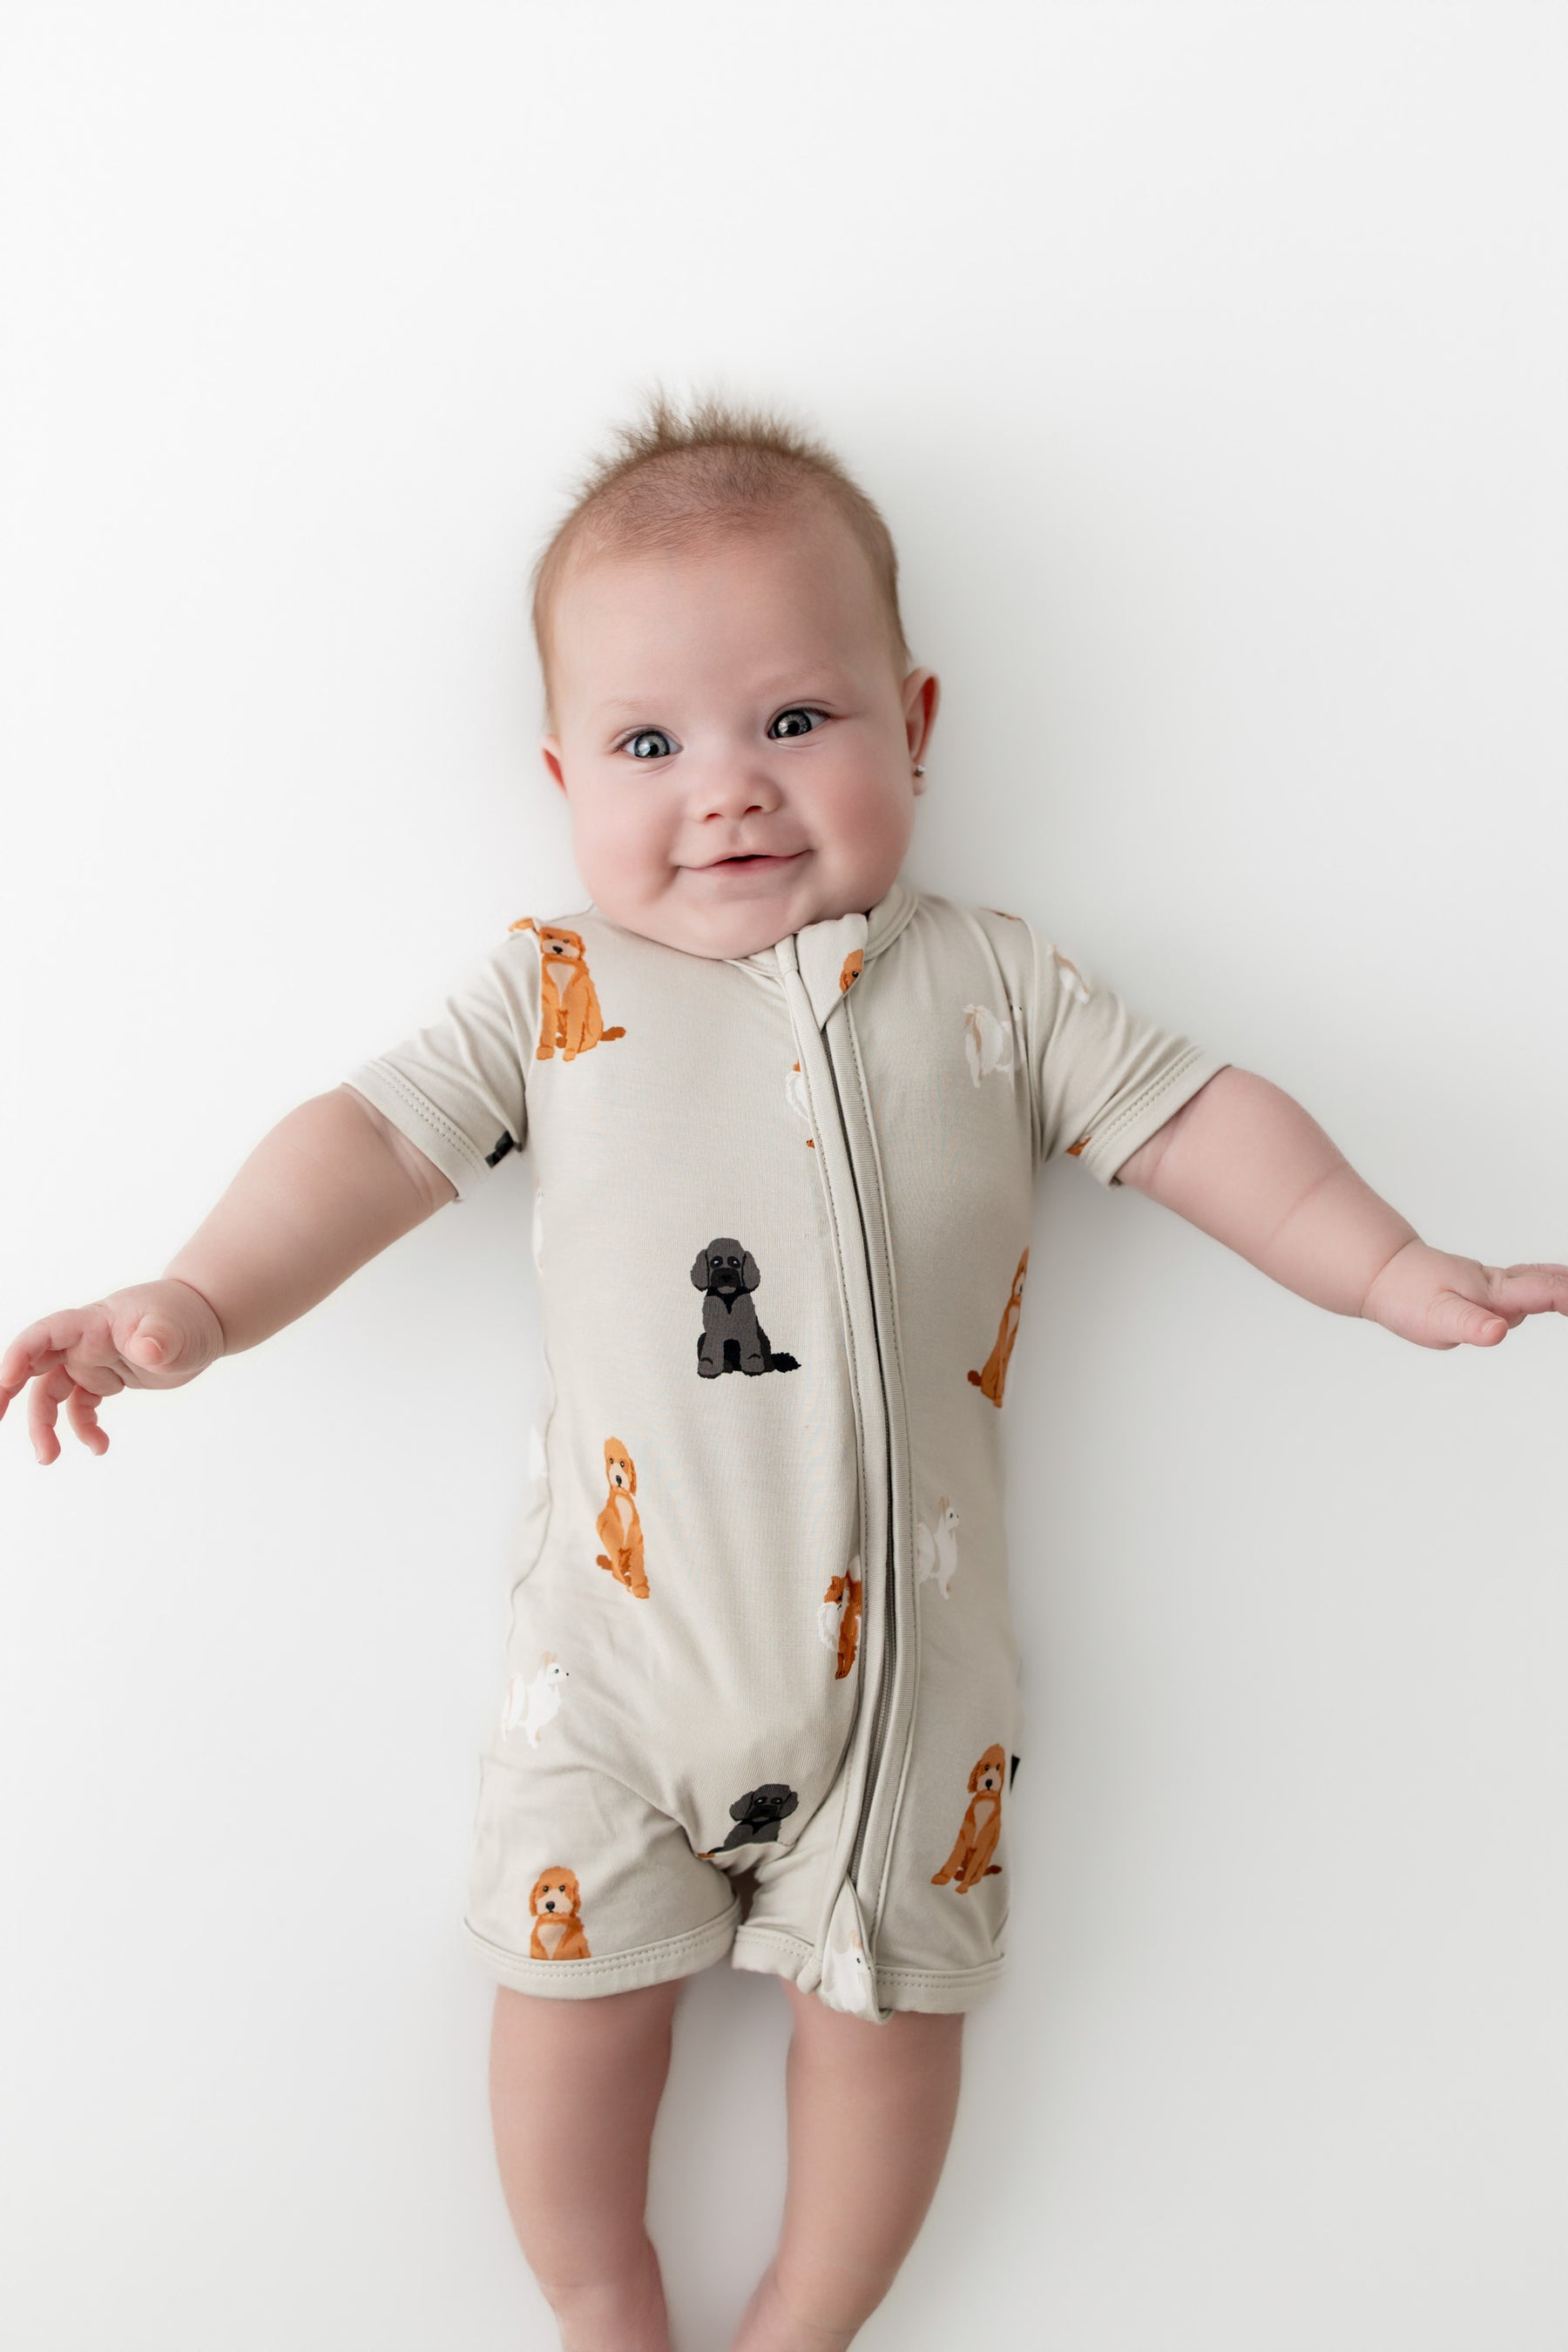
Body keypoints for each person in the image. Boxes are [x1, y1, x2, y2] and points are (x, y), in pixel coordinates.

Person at [4, 393, 1564, 2352]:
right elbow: (367, 1144)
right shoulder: (555, 988)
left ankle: (804, 2328)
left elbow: (1200, 1120)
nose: (727, 791)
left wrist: (1383, 1263)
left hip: (911, 1694)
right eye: (652, 747)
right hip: (615, 1672)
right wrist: (201, 1300)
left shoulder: (998, 985)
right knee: (566, 2010)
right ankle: (600, 2303)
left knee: (892, 2031)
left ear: (916, 724)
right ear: (565, 775)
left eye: (793, 722)